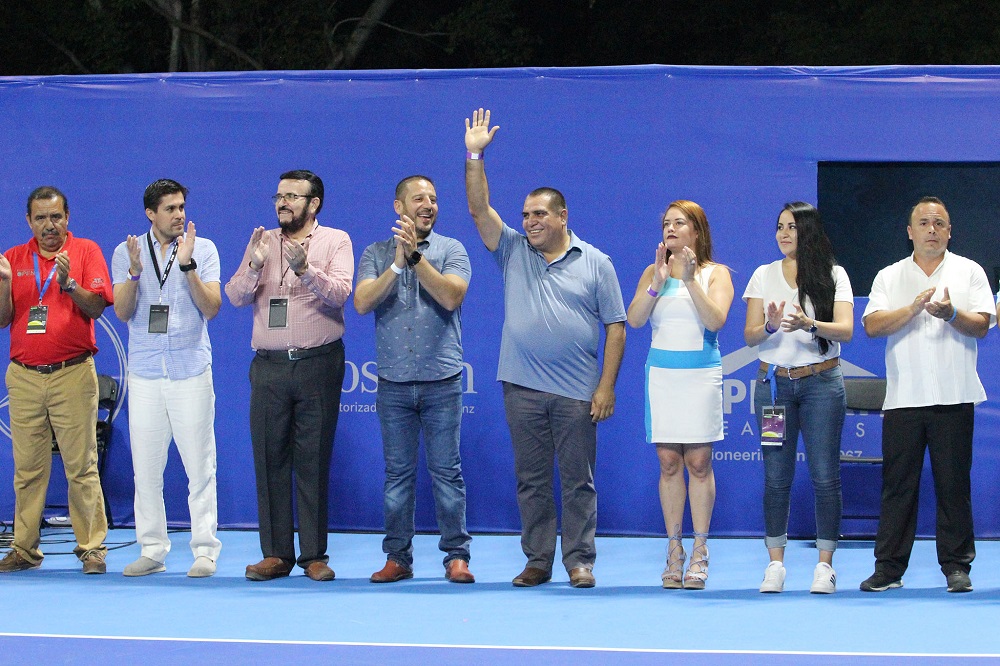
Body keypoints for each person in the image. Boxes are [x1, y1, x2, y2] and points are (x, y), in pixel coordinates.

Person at [464, 108, 627, 589]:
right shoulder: (513, 250)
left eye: (539, 214)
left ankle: (579, 562)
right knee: (531, 480)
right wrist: (475, 155)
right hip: (522, 388)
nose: (530, 222)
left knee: (578, 482)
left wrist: (606, 387)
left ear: (562, 217)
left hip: (578, 392)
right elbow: (479, 210)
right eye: (525, 215)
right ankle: (538, 561)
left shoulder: (596, 262)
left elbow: (617, 328)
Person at [859, 196, 994, 594]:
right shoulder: (890, 276)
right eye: (923, 223)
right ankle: (889, 568)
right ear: (910, 232)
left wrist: (951, 314)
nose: (931, 229)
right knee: (898, 486)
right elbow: (872, 326)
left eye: (939, 223)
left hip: (954, 396)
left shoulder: (969, 271)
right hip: (905, 398)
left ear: (949, 231)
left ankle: (956, 566)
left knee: (954, 486)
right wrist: (914, 308)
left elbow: (982, 325)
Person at [225, 170, 353, 582]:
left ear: (314, 204)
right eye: (279, 196)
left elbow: (340, 293)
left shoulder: (336, 240)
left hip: (318, 363)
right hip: (269, 367)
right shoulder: (261, 241)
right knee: (269, 459)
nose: (283, 203)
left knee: (313, 460)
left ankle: (314, 555)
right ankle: (276, 554)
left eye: (293, 196)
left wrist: (305, 270)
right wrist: (253, 264)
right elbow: (235, 296)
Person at [355, 175, 474, 585]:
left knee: (447, 474)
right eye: (419, 198)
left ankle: (457, 557)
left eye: (434, 199)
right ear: (399, 206)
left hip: (442, 381)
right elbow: (361, 302)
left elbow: (451, 296)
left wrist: (416, 259)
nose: (428, 205)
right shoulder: (375, 253)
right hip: (393, 384)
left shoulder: (451, 249)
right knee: (397, 477)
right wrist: (396, 264)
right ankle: (397, 558)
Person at [111, 179, 222, 578]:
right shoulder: (125, 252)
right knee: (146, 470)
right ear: (150, 213)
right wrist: (134, 274)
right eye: (170, 208)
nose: (179, 215)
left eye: (181, 207)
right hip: (145, 374)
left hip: (190, 371)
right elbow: (122, 312)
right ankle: (153, 549)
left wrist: (188, 266)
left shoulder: (203, 249)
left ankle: (205, 550)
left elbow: (212, 307)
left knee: (200, 467)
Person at [0, 186, 113, 574]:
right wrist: (3, 283)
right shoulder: (14, 259)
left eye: (56, 217)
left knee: (81, 466)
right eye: (41, 218)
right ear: (28, 221)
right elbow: (2, 319)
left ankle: (92, 548)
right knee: (28, 469)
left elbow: (96, 307)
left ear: (67, 218)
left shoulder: (86, 252)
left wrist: (69, 284)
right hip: (24, 377)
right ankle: (24, 549)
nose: (49, 225)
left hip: (72, 373)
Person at [743, 202, 854, 594]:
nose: (783, 234)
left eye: (791, 227)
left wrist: (810, 324)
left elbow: (845, 330)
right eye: (779, 227)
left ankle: (825, 566)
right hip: (774, 389)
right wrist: (770, 326)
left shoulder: (834, 274)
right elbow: (750, 336)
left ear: (808, 231)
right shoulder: (763, 274)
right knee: (776, 477)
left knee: (825, 476)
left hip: (822, 385)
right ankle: (775, 564)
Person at [626, 200, 733, 590]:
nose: (670, 228)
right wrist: (658, 281)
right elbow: (635, 319)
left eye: (679, 223)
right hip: (662, 376)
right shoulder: (651, 272)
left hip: (700, 375)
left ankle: (700, 550)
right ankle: (674, 550)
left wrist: (688, 280)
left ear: (697, 231)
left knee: (699, 463)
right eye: (666, 223)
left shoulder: (716, 274)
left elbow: (716, 320)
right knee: (669, 461)